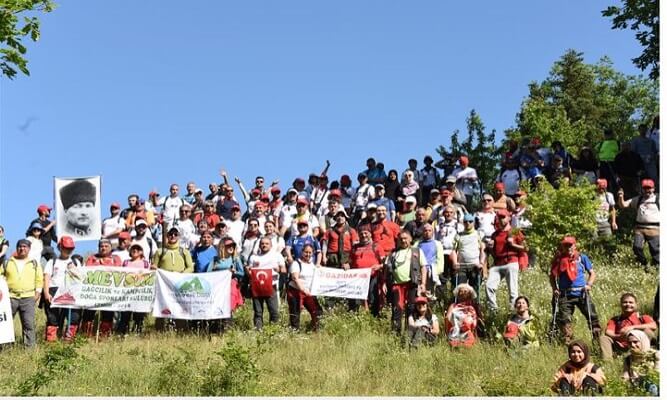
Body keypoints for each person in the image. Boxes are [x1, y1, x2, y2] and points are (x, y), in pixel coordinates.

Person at [549, 236, 601, 344]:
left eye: (570, 245)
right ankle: (570, 344)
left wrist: (589, 285)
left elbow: (592, 273)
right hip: (565, 294)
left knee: (592, 316)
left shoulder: (582, 258)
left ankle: (597, 341)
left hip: (581, 293)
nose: (568, 247)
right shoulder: (558, 260)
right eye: (565, 245)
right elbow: (552, 276)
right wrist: (555, 289)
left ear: (575, 245)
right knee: (565, 320)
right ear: (562, 246)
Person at [1, 239, 43, 347]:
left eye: (25, 246)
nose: (22, 248)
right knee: (5, 324)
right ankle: (4, 347)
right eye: (20, 246)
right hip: (10, 297)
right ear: (16, 248)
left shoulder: (34, 263)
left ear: (29, 249)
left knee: (28, 324)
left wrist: (37, 294)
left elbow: (39, 279)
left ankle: (29, 349)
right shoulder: (7, 262)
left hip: (28, 298)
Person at [152, 227, 194, 331]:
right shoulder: (160, 251)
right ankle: (160, 331)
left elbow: (190, 267)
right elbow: (154, 267)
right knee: (162, 305)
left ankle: (181, 330)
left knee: (180, 306)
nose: (173, 236)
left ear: (179, 237)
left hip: (179, 283)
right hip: (164, 284)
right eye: (170, 234)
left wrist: (181, 275)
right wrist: (154, 268)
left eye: (175, 234)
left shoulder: (184, 251)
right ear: (167, 236)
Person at [386, 230, 427, 334]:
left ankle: (410, 334)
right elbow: (386, 269)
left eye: (405, 238)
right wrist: (384, 283)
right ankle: (396, 335)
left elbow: (423, 267)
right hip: (397, 286)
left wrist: (423, 284)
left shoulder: (416, 251)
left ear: (410, 239)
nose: (403, 240)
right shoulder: (393, 253)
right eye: (401, 239)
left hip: (412, 284)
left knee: (411, 309)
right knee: (397, 310)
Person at [42, 236, 81, 342]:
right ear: (60, 247)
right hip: (54, 291)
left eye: (70, 248)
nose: (68, 250)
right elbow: (46, 277)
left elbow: (81, 278)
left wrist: (73, 269)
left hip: (71, 291)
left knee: (73, 317)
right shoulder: (53, 261)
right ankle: (52, 343)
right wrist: (46, 292)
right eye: (65, 248)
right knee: (53, 318)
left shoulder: (76, 262)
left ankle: (68, 341)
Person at [81, 239, 122, 337]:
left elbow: (119, 272)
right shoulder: (92, 258)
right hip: (93, 293)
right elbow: (88, 271)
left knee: (107, 316)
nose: (103, 248)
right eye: (101, 246)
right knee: (88, 315)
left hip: (108, 293)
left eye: (106, 246)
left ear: (111, 247)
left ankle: (104, 337)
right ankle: (86, 336)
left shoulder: (116, 259)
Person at [486, 209, 525, 313]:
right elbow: (494, 254)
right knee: (489, 286)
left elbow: (525, 248)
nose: (501, 220)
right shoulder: (495, 234)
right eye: (499, 217)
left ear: (509, 218)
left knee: (513, 291)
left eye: (503, 217)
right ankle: (493, 311)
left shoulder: (515, 231)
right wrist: (490, 248)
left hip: (511, 262)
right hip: (498, 263)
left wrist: (513, 245)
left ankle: (512, 313)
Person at [600, 292, 657, 360]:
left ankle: (645, 356)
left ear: (636, 304)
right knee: (604, 338)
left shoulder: (643, 317)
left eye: (631, 302)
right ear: (621, 305)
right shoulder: (615, 320)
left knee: (648, 331)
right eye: (625, 302)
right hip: (622, 346)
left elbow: (653, 326)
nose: (628, 304)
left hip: (639, 344)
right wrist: (619, 337)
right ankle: (608, 362)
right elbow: (608, 332)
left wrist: (632, 328)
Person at [617, 179, 659, 267]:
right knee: (637, 247)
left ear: (653, 188)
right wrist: (621, 197)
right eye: (645, 188)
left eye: (649, 188)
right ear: (642, 189)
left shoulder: (659, 199)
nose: (647, 190)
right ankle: (644, 265)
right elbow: (623, 205)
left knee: (656, 251)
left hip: (655, 229)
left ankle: (656, 268)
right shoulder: (638, 199)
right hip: (640, 229)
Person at [246, 237, 285, 330]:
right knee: (258, 312)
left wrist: (278, 270)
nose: (264, 245)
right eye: (262, 243)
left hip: (271, 286)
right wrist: (247, 271)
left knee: (274, 311)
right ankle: (258, 331)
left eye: (267, 243)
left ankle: (273, 331)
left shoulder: (277, 255)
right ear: (259, 245)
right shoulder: (253, 257)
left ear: (271, 245)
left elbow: (284, 270)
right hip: (257, 287)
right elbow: (250, 274)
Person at [207, 237, 245, 332]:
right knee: (217, 307)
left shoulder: (235, 259)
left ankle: (227, 330)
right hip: (218, 287)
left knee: (228, 308)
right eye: (228, 245)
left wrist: (234, 272)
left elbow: (242, 273)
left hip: (231, 287)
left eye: (233, 245)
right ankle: (215, 331)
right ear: (222, 247)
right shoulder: (215, 259)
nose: (231, 247)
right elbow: (208, 273)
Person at [117, 244, 153, 335]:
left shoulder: (146, 264)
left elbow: (151, 275)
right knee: (125, 316)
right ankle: (122, 335)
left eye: (138, 249)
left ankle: (137, 334)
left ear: (141, 252)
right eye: (133, 248)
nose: (135, 250)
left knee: (139, 316)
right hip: (126, 294)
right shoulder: (125, 262)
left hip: (140, 294)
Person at [349, 227, 385, 315]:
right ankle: (358, 317)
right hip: (358, 278)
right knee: (357, 299)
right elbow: (350, 262)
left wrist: (379, 266)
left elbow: (385, 263)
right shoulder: (354, 248)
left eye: (365, 233)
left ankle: (374, 318)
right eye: (361, 234)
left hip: (373, 277)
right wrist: (346, 265)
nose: (363, 235)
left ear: (370, 234)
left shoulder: (376, 246)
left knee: (372, 298)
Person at [287, 244, 322, 331]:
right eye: (306, 252)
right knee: (295, 314)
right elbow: (295, 278)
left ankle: (315, 330)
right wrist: (303, 290)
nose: (308, 254)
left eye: (310, 252)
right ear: (302, 252)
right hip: (296, 292)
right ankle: (294, 334)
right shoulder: (296, 263)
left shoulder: (312, 265)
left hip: (309, 293)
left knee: (318, 312)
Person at [451, 214, 485, 297]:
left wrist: (481, 263)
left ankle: (474, 307)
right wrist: (455, 262)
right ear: (463, 223)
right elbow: (454, 251)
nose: (468, 223)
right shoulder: (458, 235)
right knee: (460, 289)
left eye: (470, 221)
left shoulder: (479, 234)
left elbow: (482, 250)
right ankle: (459, 307)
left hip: (475, 266)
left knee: (474, 290)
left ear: (473, 222)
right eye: (466, 222)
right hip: (461, 266)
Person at [622, 330, 660, 396]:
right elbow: (625, 378)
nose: (632, 345)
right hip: (637, 390)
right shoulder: (628, 359)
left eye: (635, 342)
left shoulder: (655, 355)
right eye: (629, 342)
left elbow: (658, 374)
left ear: (642, 341)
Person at [445, 283, 478, 348]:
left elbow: (474, 322)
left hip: (467, 331)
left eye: (465, 291)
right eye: (461, 291)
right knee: (455, 343)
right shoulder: (453, 306)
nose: (463, 293)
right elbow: (447, 318)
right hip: (455, 330)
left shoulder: (472, 307)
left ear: (469, 294)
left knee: (467, 343)